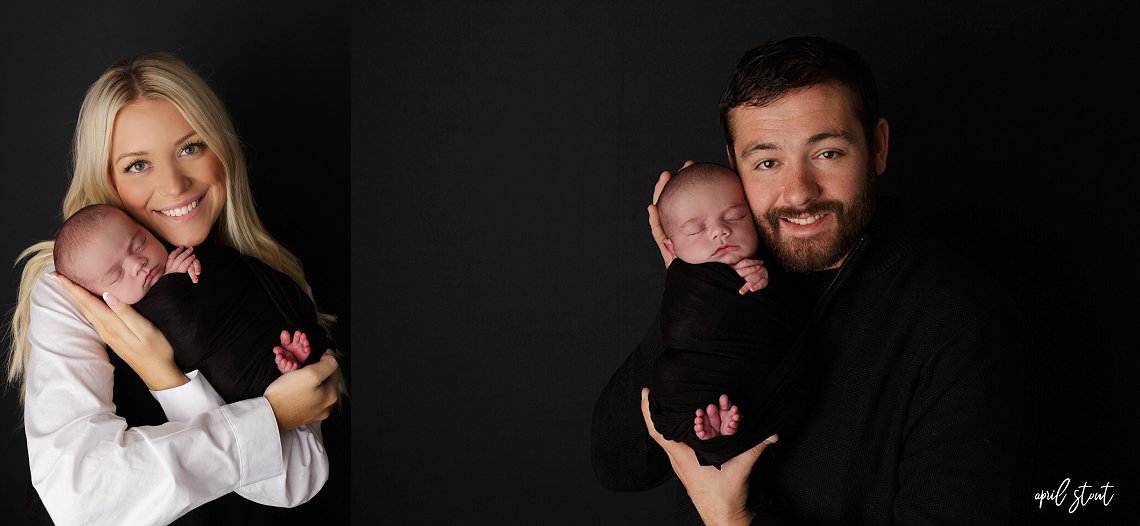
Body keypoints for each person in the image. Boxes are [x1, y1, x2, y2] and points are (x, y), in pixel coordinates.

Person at [592, 36, 1024, 525]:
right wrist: (689, 294)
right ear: (735, 167)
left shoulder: (960, 321)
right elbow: (622, 465)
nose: (799, 193)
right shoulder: (736, 277)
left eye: (828, 154)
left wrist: (730, 518)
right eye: (768, 163)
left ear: (877, 147)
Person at [6, 52, 341, 525]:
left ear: (222, 151)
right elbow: (82, 497)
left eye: (191, 147)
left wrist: (167, 376)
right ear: (107, 178)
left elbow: (298, 481)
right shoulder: (71, 290)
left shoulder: (270, 274)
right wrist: (270, 417)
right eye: (137, 165)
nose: (173, 185)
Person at [51, 203, 320, 399]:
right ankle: (280, 376)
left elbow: (219, 283)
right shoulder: (121, 318)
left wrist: (185, 274)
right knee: (234, 378)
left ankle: (285, 367)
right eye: (116, 274)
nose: (138, 263)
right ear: (99, 298)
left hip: (253, 334)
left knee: (278, 341)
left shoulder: (178, 256)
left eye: (139, 243)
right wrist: (172, 289)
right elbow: (183, 336)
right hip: (227, 381)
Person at [648, 162, 810, 469]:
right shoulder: (685, 280)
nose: (721, 231)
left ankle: (721, 433)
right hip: (699, 380)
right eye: (697, 229)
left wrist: (765, 279)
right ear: (671, 246)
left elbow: (790, 313)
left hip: (768, 385)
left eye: (736, 217)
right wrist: (714, 282)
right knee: (669, 378)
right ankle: (712, 435)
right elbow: (682, 327)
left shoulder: (777, 265)